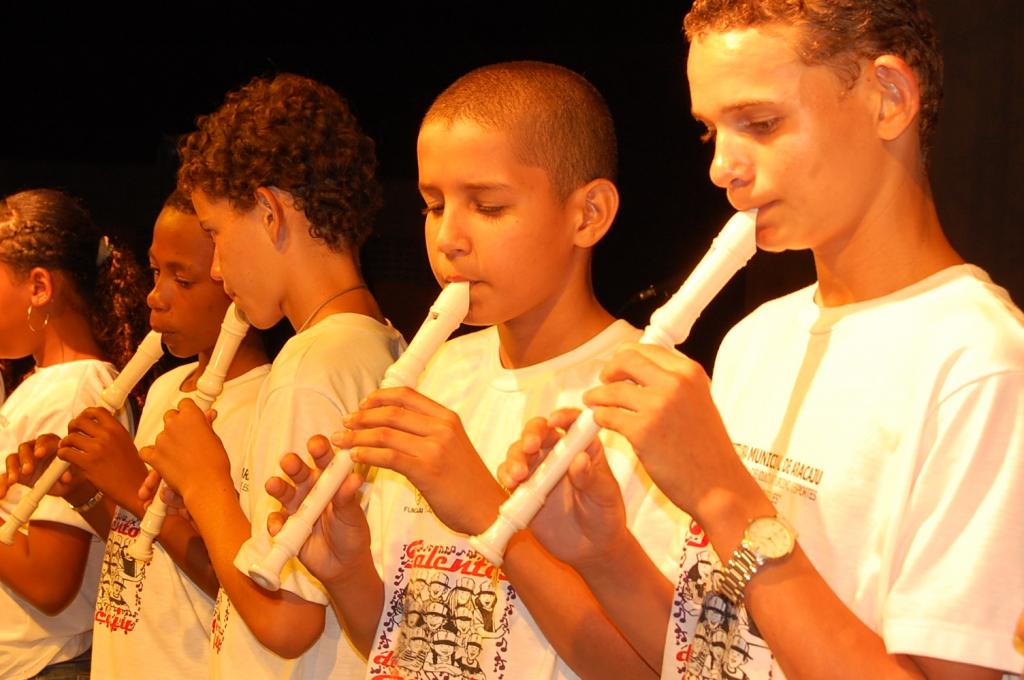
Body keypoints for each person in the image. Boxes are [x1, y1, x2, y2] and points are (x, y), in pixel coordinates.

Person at [500, 1, 1024, 679]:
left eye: (762, 123)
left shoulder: (982, 365)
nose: (722, 167)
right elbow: (712, 652)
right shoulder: (757, 338)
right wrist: (603, 553)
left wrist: (724, 495)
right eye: (710, 131)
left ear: (888, 99)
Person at [265, 61, 687, 679]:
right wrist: (346, 572)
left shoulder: (649, 396)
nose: (448, 238)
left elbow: (647, 669)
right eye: (433, 205)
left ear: (588, 214)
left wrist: (491, 514)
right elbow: (402, 640)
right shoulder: (440, 369)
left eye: (487, 206)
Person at [140, 73, 404, 678]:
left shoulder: (309, 367)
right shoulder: (380, 342)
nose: (216, 265)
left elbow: (288, 621)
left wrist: (205, 483)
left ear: (269, 212)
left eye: (215, 233)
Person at [6, 190, 272, 678]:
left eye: (182, 280)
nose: (156, 296)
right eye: (155, 272)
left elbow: (247, 589)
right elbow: (137, 542)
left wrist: (132, 487)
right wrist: (84, 491)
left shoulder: (264, 402)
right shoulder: (168, 387)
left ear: (239, 275)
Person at [0, 188, 148, 678]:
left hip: (48, 665)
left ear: (39, 286)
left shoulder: (76, 389)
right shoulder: (48, 384)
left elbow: (50, 581)